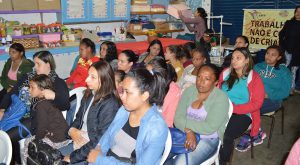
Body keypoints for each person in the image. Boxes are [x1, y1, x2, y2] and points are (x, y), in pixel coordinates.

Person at [0, 50, 70, 164]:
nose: (35, 67)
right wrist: (2, 108)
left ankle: (17, 160)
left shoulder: (57, 82)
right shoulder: (29, 77)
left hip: (33, 120)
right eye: (35, 64)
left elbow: (65, 104)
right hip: (15, 112)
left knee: (5, 138)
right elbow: (12, 92)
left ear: (48, 64)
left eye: (38, 64)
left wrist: (54, 96)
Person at [87, 68, 168, 165]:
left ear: (144, 96)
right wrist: (99, 150)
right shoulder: (124, 110)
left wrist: (100, 160)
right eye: (122, 91)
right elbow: (108, 135)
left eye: (127, 92)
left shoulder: (157, 128)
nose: (122, 96)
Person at [60, 61, 121, 164]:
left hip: (93, 149)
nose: (87, 79)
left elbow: (99, 140)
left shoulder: (110, 104)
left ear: (104, 79)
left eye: (93, 77)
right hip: (80, 142)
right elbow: (78, 118)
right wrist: (72, 131)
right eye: (88, 75)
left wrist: (72, 157)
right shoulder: (90, 94)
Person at [171, 63, 229, 164]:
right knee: (158, 152)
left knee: (180, 163)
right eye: (199, 77)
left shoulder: (221, 98)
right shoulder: (189, 91)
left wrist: (186, 126)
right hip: (183, 133)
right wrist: (189, 131)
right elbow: (177, 118)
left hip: (208, 139)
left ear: (215, 82)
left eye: (207, 79)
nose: (200, 82)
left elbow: (209, 127)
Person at [218, 48, 264, 164]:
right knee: (207, 127)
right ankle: (211, 153)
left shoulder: (254, 78)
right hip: (223, 109)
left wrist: (234, 108)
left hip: (243, 113)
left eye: (238, 58)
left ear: (247, 60)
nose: (234, 61)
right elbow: (218, 93)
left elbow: (257, 103)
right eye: (233, 58)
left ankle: (222, 162)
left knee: (226, 135)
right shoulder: (225, 73)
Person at [239, 45, 291, 146]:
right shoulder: (258, 67)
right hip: (253, 97)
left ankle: (254, 132)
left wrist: (268, 95)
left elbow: (285, 93)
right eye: (267, 53)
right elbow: (248, 81)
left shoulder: (284, 72)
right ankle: (256, 131)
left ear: (279, 57)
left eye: (273, 55)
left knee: (249, 108)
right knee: (240, 103)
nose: (269, 56)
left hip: (273, 100)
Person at [23, 74, 70, 163]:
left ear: (42, 90)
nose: (29, 90)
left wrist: (37, 139)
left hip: (57, 139)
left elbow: (42, 126)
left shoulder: (41, 105)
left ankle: (27, 162)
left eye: (32, 87)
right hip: (64, 135)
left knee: (28, 143)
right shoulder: (50, 100)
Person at [146, 58, 181, 127]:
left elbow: (168, 121)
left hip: (161, 127)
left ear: (160, 75)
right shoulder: (147, 84)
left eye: (149, 74)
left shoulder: (173, 91)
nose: (146, 77)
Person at [279, 6, 300, 93]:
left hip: (298, 53)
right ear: (294, 12)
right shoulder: (289, 23)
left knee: (293, 71)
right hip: (287, 51)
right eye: (297, 11)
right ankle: (281, 87)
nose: (298, 13)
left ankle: (291, 89)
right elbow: (281, 34)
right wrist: (282, 46)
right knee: (283, 69)